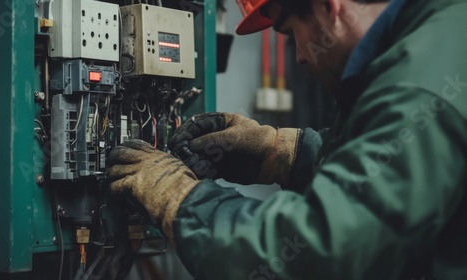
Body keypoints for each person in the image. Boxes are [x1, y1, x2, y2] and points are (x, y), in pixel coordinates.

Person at [107, 0, 467, 278]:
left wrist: (180, 200)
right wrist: (282, 153)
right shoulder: (436, 41)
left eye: (291, 33)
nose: (297, 57)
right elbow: (382, 182)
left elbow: (322, 252)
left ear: (329, 7)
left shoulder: (418, 87)